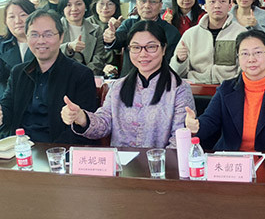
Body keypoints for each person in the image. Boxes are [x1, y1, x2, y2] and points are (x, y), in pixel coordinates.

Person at [62, 20, 196, 148]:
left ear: (164, 49)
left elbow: (178, 140)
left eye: (151, 47)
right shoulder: (118, 86)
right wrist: (81, 117)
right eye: (136, 47)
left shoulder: (179, 89)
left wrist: (157, 165)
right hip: (122, 166)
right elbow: (103, 125)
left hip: (159, 167)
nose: (143, 54)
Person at [185, 30, 265, 151]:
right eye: (245, 54)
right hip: (230, 161)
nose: (251, 59)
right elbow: (209, 121)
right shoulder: (226, 89)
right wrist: (196, 126)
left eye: (258, 52)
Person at [0, 9, 97, 142]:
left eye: (48, 34)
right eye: (34, 35)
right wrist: (1, 114)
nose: (41, 41)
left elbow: (84, 129)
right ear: (27, 38)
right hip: (21, 148)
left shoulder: (80, 75)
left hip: (57, 151)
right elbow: (7, 109)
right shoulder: (18, 72)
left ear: (61, 37)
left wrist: (51, 152)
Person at [171, 0, 247, 84]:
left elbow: (245, 69)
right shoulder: (191, 34)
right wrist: (179, 60)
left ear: (230, 5)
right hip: (196, 89)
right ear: (205, 6)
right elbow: (173, 72)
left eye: (222, 1)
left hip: (229, 89)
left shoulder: (241, 34)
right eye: (212, 1)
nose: (217, 6)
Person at [104, 0, 181, 76]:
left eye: (153, 1)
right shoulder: (129, 24)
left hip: (160, 81)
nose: (147, 6)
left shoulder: (171, 31)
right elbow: (118, 39)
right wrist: (111, 38)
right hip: (129, 80)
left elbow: (171, 63)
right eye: (143, 1)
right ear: (137, 3)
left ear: (160, 6)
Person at [58, 0, 107, 76]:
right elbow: (49, 53)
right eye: (68, 5)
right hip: (61, 77)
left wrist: (83, 76)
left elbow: (99, 60)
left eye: (79, 4)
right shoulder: (55, 28)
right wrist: (68, 47)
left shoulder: (96, 30)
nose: (74, 9)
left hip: (87, 77)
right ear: (63, 8)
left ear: (85, 6)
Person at [0, 0, 35, 97]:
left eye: (23, 15)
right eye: (11, 17)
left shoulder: (45, 43)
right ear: (6, 22)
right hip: (9, 103)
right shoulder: (2, 47)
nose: (18, 21)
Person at [89, 0, 122, 78]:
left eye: (110, 4)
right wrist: (103, 66)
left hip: (116, 68)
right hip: (93, 69)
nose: (105, 8)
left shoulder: (123, 24)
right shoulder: (87, 24)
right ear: (95, 4)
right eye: (101, 3)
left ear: (116, 6)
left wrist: (119, 30)